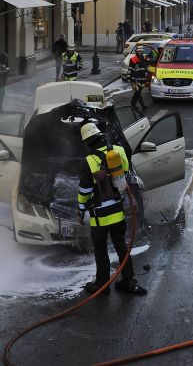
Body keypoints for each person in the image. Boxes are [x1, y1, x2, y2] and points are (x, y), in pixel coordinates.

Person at [77, 123, 147, 295]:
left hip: (100, 216)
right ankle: (129, 281)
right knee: (121, 245)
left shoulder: (89, 160)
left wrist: (80, 208)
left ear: (87, 141)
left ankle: (102, 284)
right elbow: (124, 173)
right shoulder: (118, 150)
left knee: (100, 249)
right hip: (118, 210)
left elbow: (85, 190)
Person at [128, 45, 149, 111]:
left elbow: (147, 67)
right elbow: (130, 69)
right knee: (138, 92)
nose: (140, 52)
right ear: (137, 51)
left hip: (143, 79)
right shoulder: (133, 60)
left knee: (137, 92)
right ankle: (143, 105)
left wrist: (147, 72)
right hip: (136, 79)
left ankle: (133, 104)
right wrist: (129, 78)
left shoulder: (145, 59)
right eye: (139, 51)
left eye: (141, 51)